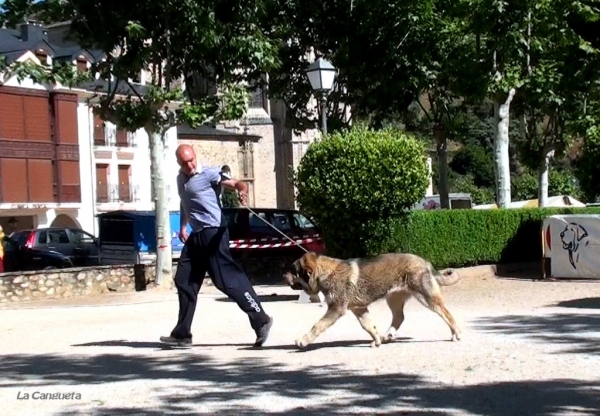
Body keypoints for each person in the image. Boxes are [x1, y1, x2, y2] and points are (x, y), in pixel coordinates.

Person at [160, 144, 273, 348]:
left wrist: (242, 191)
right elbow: (185, 202)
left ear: (195, 156)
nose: (190, 165)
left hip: (214, 232)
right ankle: (182, 333)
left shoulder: (209, 174)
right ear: (178, 163)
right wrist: (184, 226)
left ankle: (261, 320)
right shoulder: (180, 180)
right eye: (185, 163)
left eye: (191, 160)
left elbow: (237, 183)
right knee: (184, 280)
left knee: (226, 281)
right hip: (197, 236)